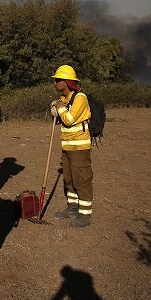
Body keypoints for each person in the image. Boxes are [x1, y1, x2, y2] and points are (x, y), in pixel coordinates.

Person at [50, 65, 93, 228]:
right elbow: (62, 119)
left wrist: (60, 108)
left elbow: (69, 119)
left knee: (82, 180)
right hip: (67, 147)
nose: (55, 83)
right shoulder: (64, 99)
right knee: (69, 179)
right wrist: (57, 108)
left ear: (67, 82)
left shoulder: (80, 98)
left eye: (58, 80)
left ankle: (85, 214)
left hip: (79, 148)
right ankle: (73, 207)